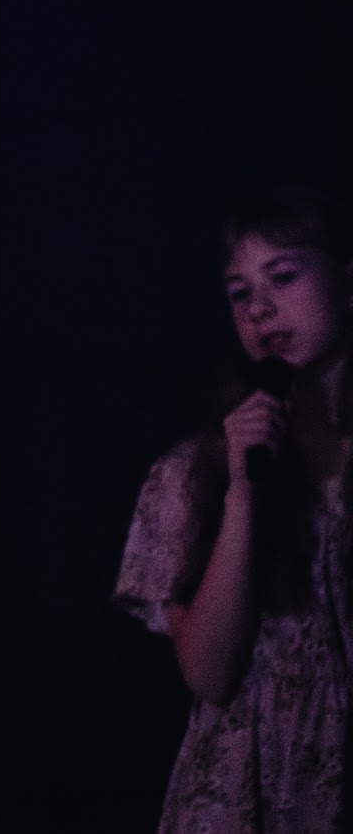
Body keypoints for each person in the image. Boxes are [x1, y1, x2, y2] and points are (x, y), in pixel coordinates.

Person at [114, 183, 350, 834]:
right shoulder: (195, 473)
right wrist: (243, 495)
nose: (260, 308)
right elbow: (209, 673)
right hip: (250, 797)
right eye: (240, 292)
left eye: (283, 276)